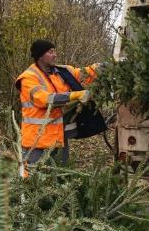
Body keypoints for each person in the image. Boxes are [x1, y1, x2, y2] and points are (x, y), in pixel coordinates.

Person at [14, 39, 100, 175]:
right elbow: (44, 99)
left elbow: (85, 73)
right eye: (50, 52)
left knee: (60, 177)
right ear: (40, 56)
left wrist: (105, 66)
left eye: (54, 51)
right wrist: (74, 95)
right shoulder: (28, 78)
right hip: (37, 141)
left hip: (59, 137)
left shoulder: (62, 72)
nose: (55, 55)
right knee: (33, 179)